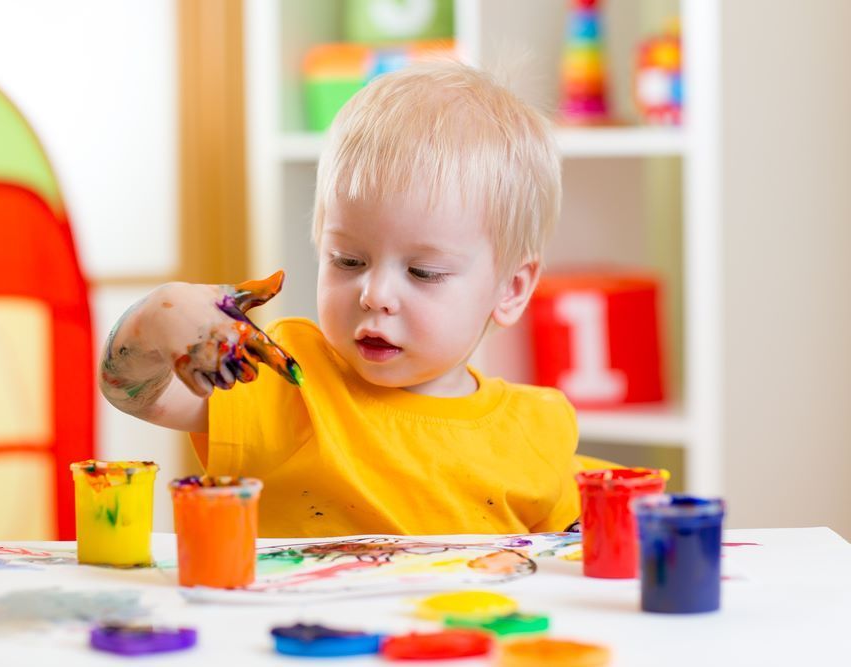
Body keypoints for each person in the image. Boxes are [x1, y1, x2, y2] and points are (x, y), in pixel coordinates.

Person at [100, 60, 578, 537]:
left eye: (422, 272)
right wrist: (158, 318)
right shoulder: (286, 383)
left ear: (511, 288)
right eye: (348, 260)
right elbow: (129, 392)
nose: (375, 294)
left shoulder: (537, 431)